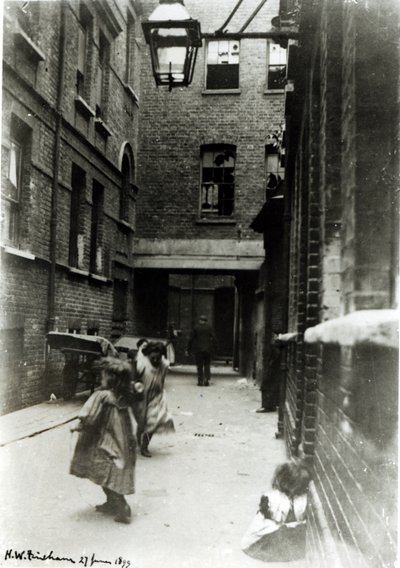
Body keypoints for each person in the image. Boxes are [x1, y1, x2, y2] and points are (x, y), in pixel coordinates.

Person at [70, 356, 137, 524]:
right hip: (121, 439)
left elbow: (90, 416)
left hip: (106, 438)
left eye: (104, 375)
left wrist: (79, 425)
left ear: (112, 378)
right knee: (112, 472)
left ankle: (122, 507)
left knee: (102, 469)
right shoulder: (121, 395)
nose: (101, 378)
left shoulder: (102, 395)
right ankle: (112, 503)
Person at [241, 460, 311, 562]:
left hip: (271, 534)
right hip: (258, 543)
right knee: (295, 534)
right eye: (303, 485)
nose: (305, 488)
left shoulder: (290, 498)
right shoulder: (277, 499)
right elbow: (285, 522)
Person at [133, 340, 175, 457]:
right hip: (142, 396)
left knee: (153, 421)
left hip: (156, 396)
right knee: (142, 422)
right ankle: (138, 437)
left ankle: (145, 446)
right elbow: (134, 378)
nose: (156, 360)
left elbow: (162, 380)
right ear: (148, 355)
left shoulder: (163, 365)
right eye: (153, 358)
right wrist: (135, 385)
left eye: (158, 358)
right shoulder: (142, 364)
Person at [186, 315, 216, 386]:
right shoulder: (209, 328)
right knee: (207, 365)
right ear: (206, 321)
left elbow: (191, 339)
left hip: (198, 350)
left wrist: (188, 349)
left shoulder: (196, 328)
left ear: (200, 321)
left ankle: (200, 381)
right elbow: (214, 339)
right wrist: (214, 349)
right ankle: (206, 380)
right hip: (207, 350)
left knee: (199, 366)